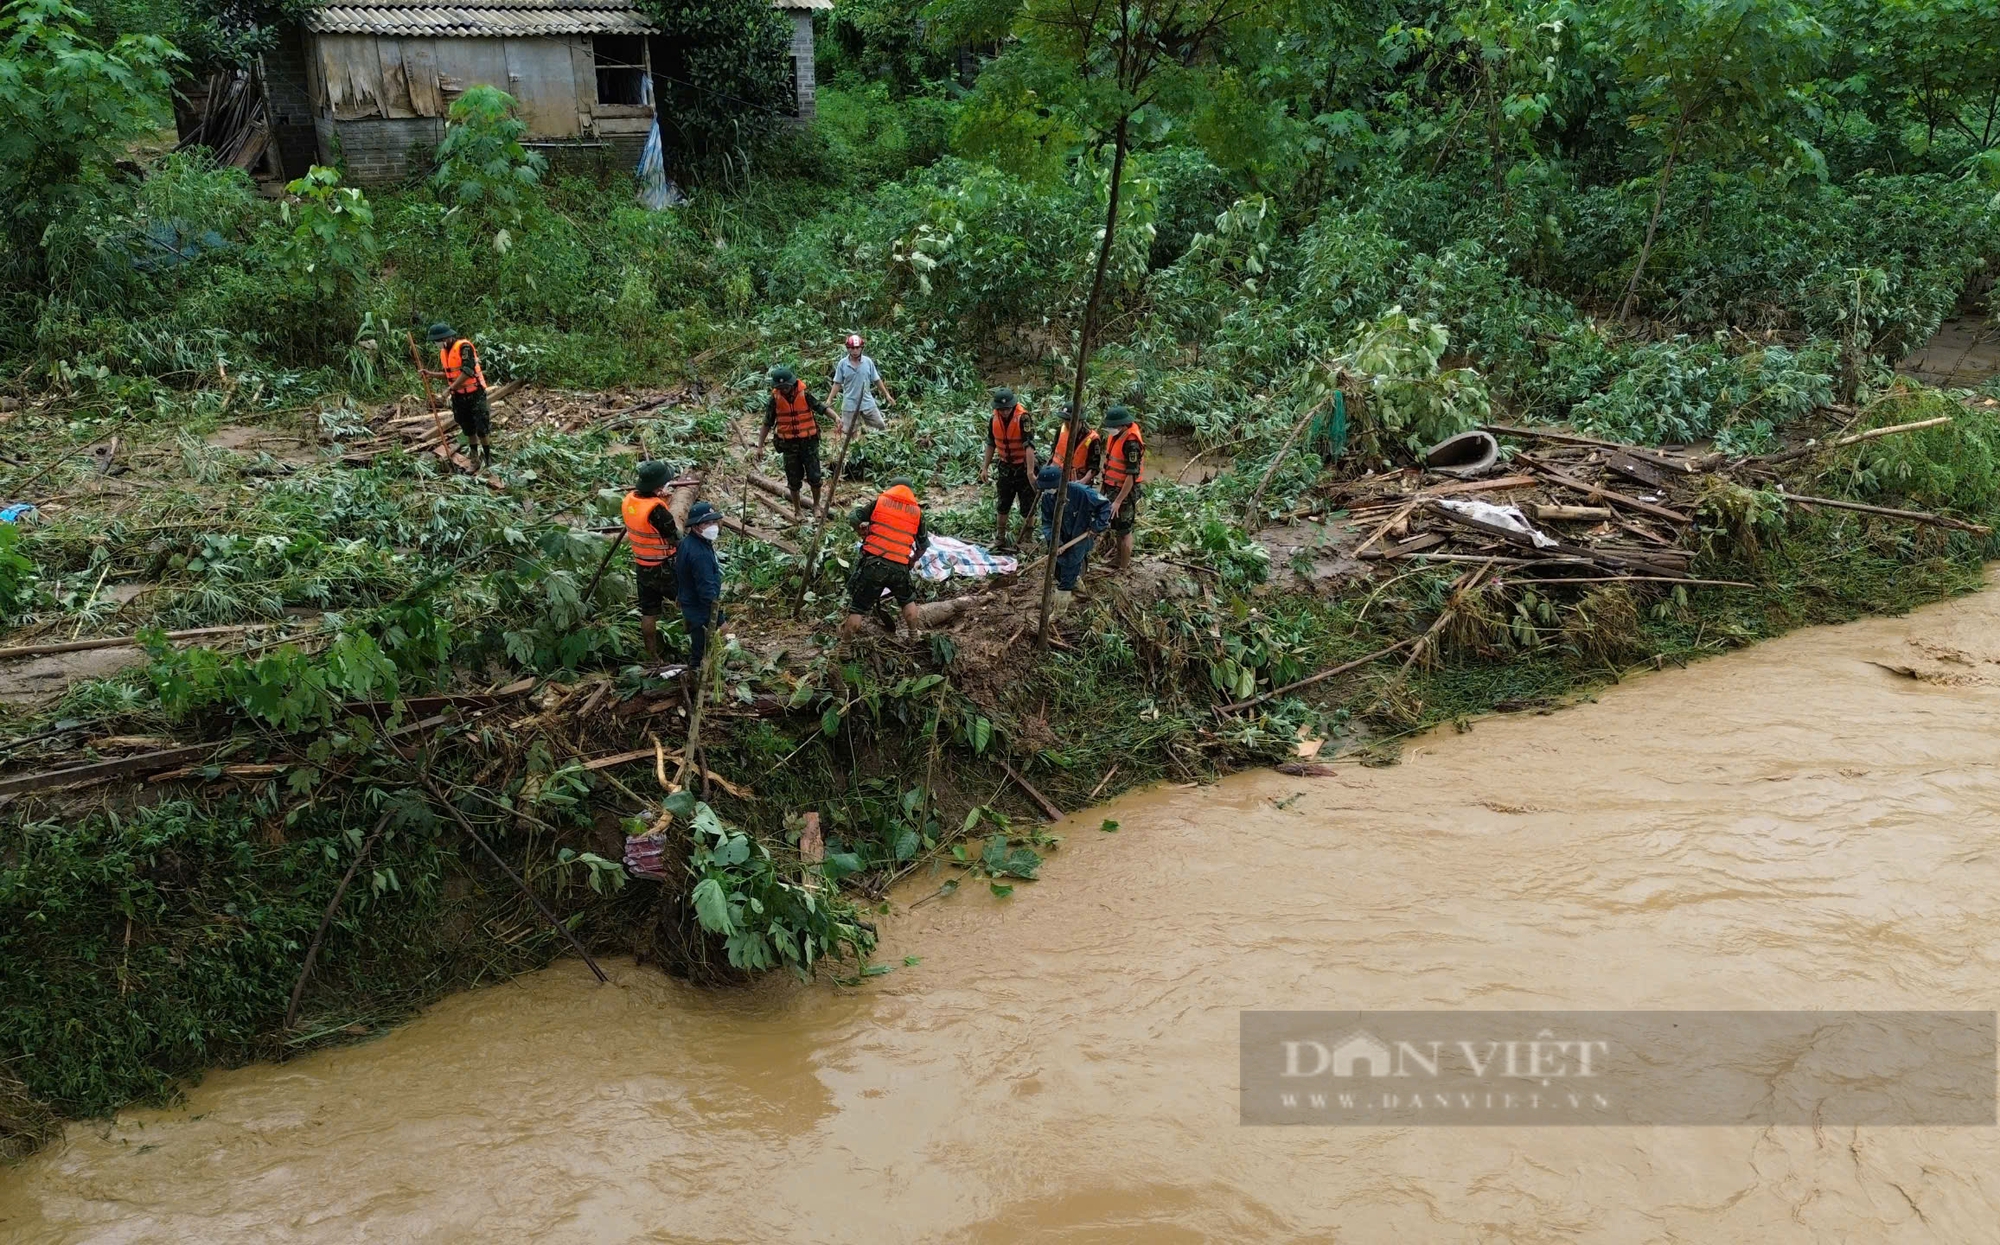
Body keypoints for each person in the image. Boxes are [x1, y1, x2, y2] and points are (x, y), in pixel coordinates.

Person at [840, 478, 928, 638]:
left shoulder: (880, 502)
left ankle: (845, 647)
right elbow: (923, 545)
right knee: (908, 600)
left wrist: (861, 531)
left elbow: (853, 517)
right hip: (900, 567)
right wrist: (912, 559)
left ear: (892, 488)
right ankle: (913, 635)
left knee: (858, 607)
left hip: (874, 564)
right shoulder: (917, 512)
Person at [622, 460, 680, 663]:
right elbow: (673, 535)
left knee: (649, 611)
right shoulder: (657, 510)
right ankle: (699, 642)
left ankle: (652, 655)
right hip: (664, 566)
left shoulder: (629, 500)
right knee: (687, 599)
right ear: (658, 487)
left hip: (642, 566)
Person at [1036, 463, 1112, 616]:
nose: (1048, 490)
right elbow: (1047, 523)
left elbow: (1105, 506)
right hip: (1061, 537)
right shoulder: (1047, 499)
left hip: (1080, 535)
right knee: (1058, 568)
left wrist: (1096, 526)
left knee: (1069, 568)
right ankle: (1080, 593)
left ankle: (1058, 611)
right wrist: (1055, 543)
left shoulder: (1081, 492)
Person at [757, 365, 832, 517]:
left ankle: (816, 506)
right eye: (781, 387)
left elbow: (821, 408)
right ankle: (797, 510)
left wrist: (837, 418)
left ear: (792, 383)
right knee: (793, 479)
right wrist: (759, 446)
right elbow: (767, 423)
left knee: (815, 477)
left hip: (809, 442)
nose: (784, 389)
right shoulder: (774, 400)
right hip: (789, 445)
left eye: (786, 386)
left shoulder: (805, 395)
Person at [421, 322, 493, 468]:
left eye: (438, 341)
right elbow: (450, 374)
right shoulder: (444, 352)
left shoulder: (464, 347)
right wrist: (430, 374)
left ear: (446, 338)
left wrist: (449, 389)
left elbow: (467, 371)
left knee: (481, 428)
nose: (437, 345)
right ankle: (474, 459)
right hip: (459, 397)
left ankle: (488, 459)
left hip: (475, 394)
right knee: (468, 428)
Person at [978, 387, 1038, 552]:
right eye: (1001, 409)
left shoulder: (1023, 418)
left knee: (1028, 504)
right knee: (1003, 503)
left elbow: (1029, 446)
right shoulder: (993, 419)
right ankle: (1000, 537)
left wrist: (1030, 472)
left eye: (1007, 409)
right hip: (1005, 466)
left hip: (1023, 465)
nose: (1004, 412)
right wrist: (985, 467)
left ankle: (1027, 538)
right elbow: (991, 443)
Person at [675, 500, 724, 674]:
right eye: (707, 523)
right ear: (696, 527)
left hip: (691, 603)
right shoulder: (699, 553)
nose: (712, 526)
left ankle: (698, 673)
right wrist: (720, 619)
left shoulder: (690, 544)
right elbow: (707, 590)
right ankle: (697, 680)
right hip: (700, 609)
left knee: (700, 644)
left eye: (713, 522)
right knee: (701, 648)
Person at [1099, 404, 1146, 570]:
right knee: (1117, 526)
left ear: (1122, 425)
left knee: (1125, 530)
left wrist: (1119, 500)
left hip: (1126, 490)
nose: (1110, 430)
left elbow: (1131, 475)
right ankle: (1118, 560)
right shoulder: (1119, 435)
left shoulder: (1131, 443)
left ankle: (1124, 567)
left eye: (1112, 427)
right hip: (1113, 486)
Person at [828, 334, 894, 438]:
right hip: (850, 403)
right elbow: (837, 383)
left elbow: (877, 380)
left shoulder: (867, 362)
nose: (855, 351)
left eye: (857, 348)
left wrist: (887, 395)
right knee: (850, 432)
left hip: (867, 401)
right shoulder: (842, 364)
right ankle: (855, 450)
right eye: (852, 348)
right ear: (848, 349)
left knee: (880, 426)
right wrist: (829, 399)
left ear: (861, 348)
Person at [1049, 409, 1101, 484]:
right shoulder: (1061, 430)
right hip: (1057, 476)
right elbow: (1053, 452)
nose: (1066, 423)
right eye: (1065, 420)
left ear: (1079, 421)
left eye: (1069, 421)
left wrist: (1082, 482)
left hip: (1078, 480)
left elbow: (1094, 467)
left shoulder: (1092, 439)